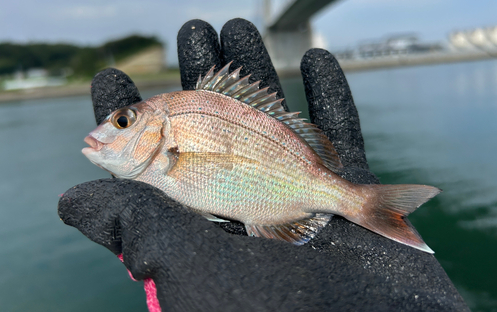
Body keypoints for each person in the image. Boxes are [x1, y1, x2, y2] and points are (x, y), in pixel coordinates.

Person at [58, 18, 468, 311]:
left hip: (290, 190)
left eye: (123, 121)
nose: (107, 133)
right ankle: (360, 204)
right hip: (282, 194)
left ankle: (361, 204)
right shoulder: (166, 136)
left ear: (160, 133)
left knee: (350, 198)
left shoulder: (175, 128)